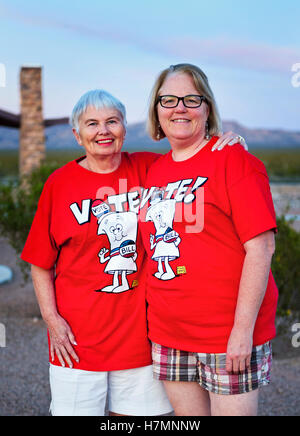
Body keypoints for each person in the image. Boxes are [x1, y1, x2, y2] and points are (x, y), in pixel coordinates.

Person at [20, 88, 245, 416]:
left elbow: (196, 164)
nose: (103, 131)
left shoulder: (151, 169)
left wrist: (230, 144)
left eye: (112, 121)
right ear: (77, 134)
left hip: (142, 340)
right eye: (92, 123)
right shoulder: (59, 184)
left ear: (125, 128)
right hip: (78, 341)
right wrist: (51, 320)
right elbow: (40, 262)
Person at [140, 63, 278, 416]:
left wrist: (242, 332)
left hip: (226, 334)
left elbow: (261, 248)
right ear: (157, 110)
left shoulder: (233, 160)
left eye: (191, 98)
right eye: (168, 99)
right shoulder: (154, 171)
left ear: (207, 107)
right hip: (169, 334)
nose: (179, 107)